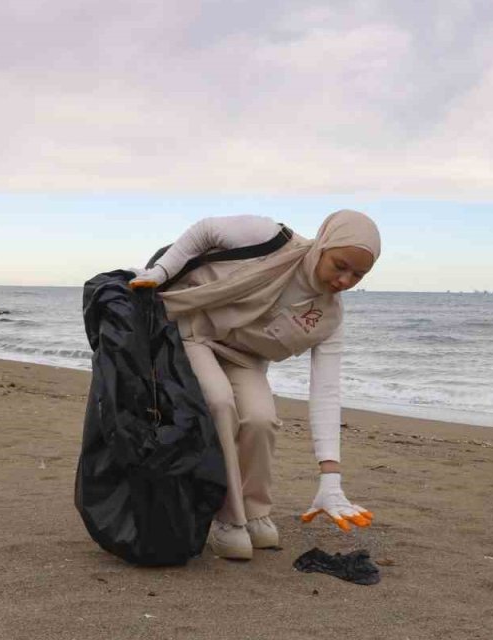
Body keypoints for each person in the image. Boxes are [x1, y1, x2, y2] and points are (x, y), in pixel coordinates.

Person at [129, 211, 380, 560]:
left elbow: (326, 392)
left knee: (262, 419)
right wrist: (161, 272)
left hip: (244, 358)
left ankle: (255, 511)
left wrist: (330, 478)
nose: (344, 280)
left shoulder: (330, 318)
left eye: (357, 275)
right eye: (340, 265)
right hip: (193, 332)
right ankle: (229, 519)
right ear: (323, 244)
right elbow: (205, 231)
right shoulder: (269, 239)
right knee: (220, 403)